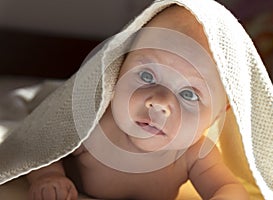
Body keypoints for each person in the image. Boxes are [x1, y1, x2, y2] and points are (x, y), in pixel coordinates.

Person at [26, 5, 249, 200]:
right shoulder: (94, 124)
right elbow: (41, 141)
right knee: (41, 103)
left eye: (189, 94)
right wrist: (49, 175)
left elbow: (229, 188)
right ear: (118, 70)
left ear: (220, 113)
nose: (160, 103)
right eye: (146, 76)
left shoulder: (194, 153)